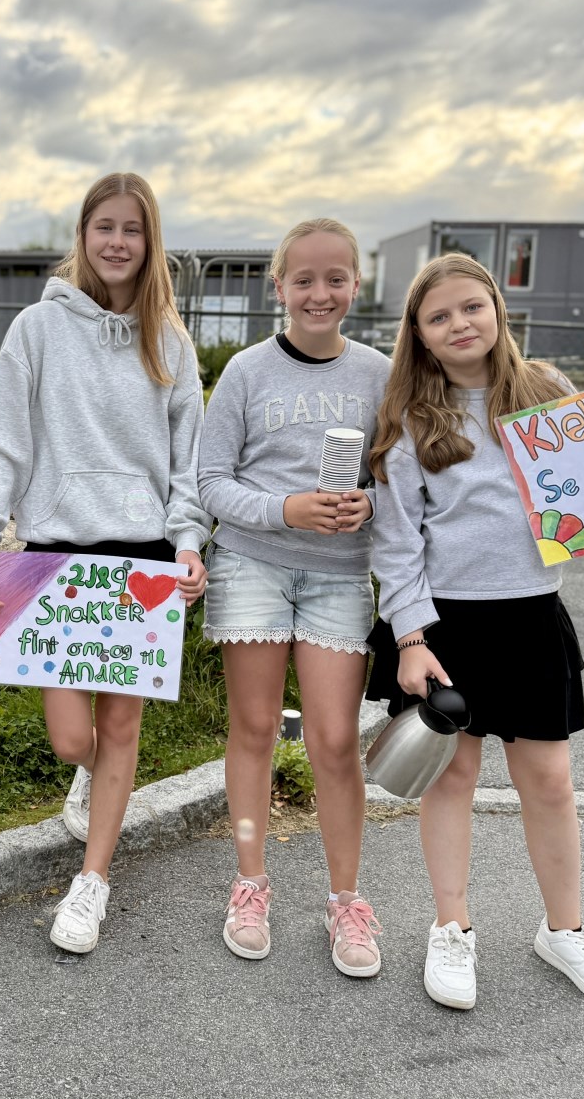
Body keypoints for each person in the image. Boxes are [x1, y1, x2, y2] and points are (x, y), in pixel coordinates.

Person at [366, 252, 584, 1011]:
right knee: (452, 778)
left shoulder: (549, 394)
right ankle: (451, 927)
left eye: (471, 307)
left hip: (532, 616)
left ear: (497, 308)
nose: (459, 324)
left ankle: (565, 931)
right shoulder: (412, 418)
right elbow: (397, 542)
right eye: (439, 316)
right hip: (444, 626)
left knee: (549, 780)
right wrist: (411, 639)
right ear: (418, 332)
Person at [0, 173, 210, 954]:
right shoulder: (37, 328)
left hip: (142, 557)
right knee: (74, 736)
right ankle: (94, 774)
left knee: (122, 724)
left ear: (150, 241)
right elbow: (2, 438)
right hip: (54, 553)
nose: (117, 241)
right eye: (104, 226)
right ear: (83, 233)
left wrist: (188, 543)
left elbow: (189, 464)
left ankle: (93, 879)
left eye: (132, 229)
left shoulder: (171, 342)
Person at [196, 219, 391, 973]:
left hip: (340, 573)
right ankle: (250, 884)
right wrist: (286, 509)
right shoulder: (246, 372)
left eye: (335, 278)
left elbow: (402, 479)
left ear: (356, 285)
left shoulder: (380, 374)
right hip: (253, 565)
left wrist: (369, 504)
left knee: (334, 740)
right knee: (252, 729)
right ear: (278, 287)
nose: (319, 292)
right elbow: (212, 482)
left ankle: (347, 901)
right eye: (303, 279)